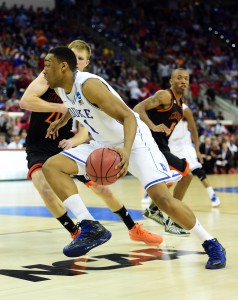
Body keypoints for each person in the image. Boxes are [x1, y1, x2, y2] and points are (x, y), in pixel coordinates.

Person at [42, 46, 226, 269]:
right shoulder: (63, 87)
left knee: (162, 200)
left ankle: (211, 243)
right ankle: (90, 225)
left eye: (47, 66)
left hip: (135, 140)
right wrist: (61, 121)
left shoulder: (89, 84)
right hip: (103, 143)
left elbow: (129, 116)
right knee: (53, 166)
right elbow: (76, 105)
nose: (43, 72)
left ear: (63, 67)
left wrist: (127, 152)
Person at [19, 40, 163, 256]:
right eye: (71, 55)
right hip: (39, 142)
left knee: (101, 186)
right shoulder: (48, 77)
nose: (74, 60)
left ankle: (133, 228)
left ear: (85, 63)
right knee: (45, 187)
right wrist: (61, 107)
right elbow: (26, 101)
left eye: (79, 58)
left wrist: (75, 141)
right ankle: (77, 232)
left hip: (65, 140)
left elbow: (88, 128)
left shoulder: (85, 86)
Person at [134, 69, 193, 236]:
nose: (183, 81)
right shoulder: (165, 96)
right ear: (171, 81)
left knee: (170, 178)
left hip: (162, 146)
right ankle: (174, 219)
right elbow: (138, 108)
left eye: (186, 79)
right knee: (186, 174)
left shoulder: (181, 106)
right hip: (151, 145)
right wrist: (152, 127)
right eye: (179, 78)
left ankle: (154, 209)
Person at [168, 103, 220, 207]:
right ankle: (152, 195)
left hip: (184, 143)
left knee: (195, 169)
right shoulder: (161, 107)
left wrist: (197, 150)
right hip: (171, 144)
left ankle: (213, 195)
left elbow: (194, 130)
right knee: (170, 173)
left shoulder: (184, 108)